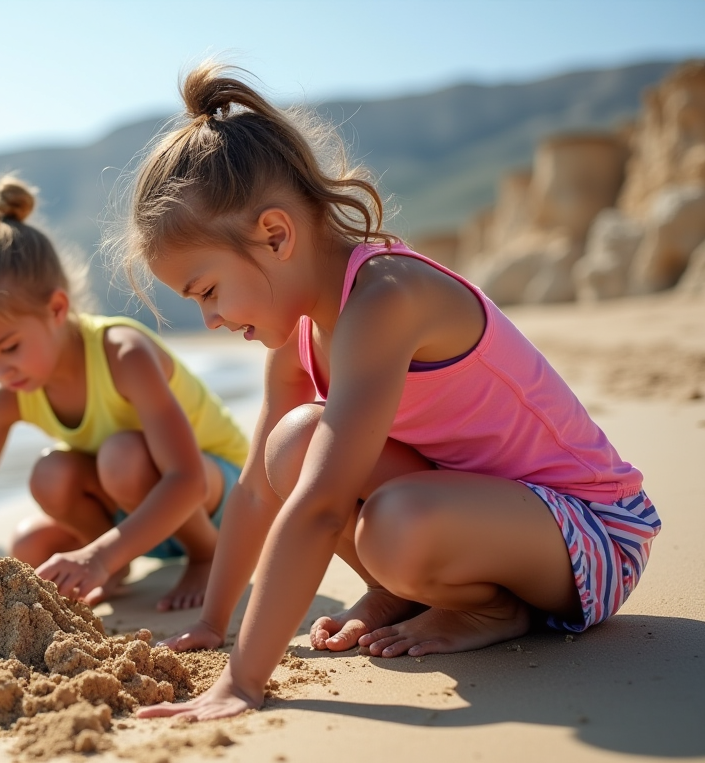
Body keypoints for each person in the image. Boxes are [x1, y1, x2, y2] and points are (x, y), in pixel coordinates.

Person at [120, 63, 661, 722]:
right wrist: (213, 620)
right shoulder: (301, 335)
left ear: (276, 235)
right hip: (486, 514)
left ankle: (488, 605)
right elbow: (262, 489)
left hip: (592, 536)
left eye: (207, 290)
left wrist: (242, 681)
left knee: (394, 521)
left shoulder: (386, 300)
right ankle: (401, 591)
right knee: (293, 443)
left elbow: (320, 509)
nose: (208, 318)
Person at [0, 176, 249, 623]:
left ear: (55, 309)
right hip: (143, 514)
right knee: (35, 522)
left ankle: (204, 556)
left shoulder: (122, 354)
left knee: (122, 455)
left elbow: (185, 478)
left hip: (220, 497)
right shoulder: (7, 397)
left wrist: (97, 556)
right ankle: (119, 561)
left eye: (9, 347)